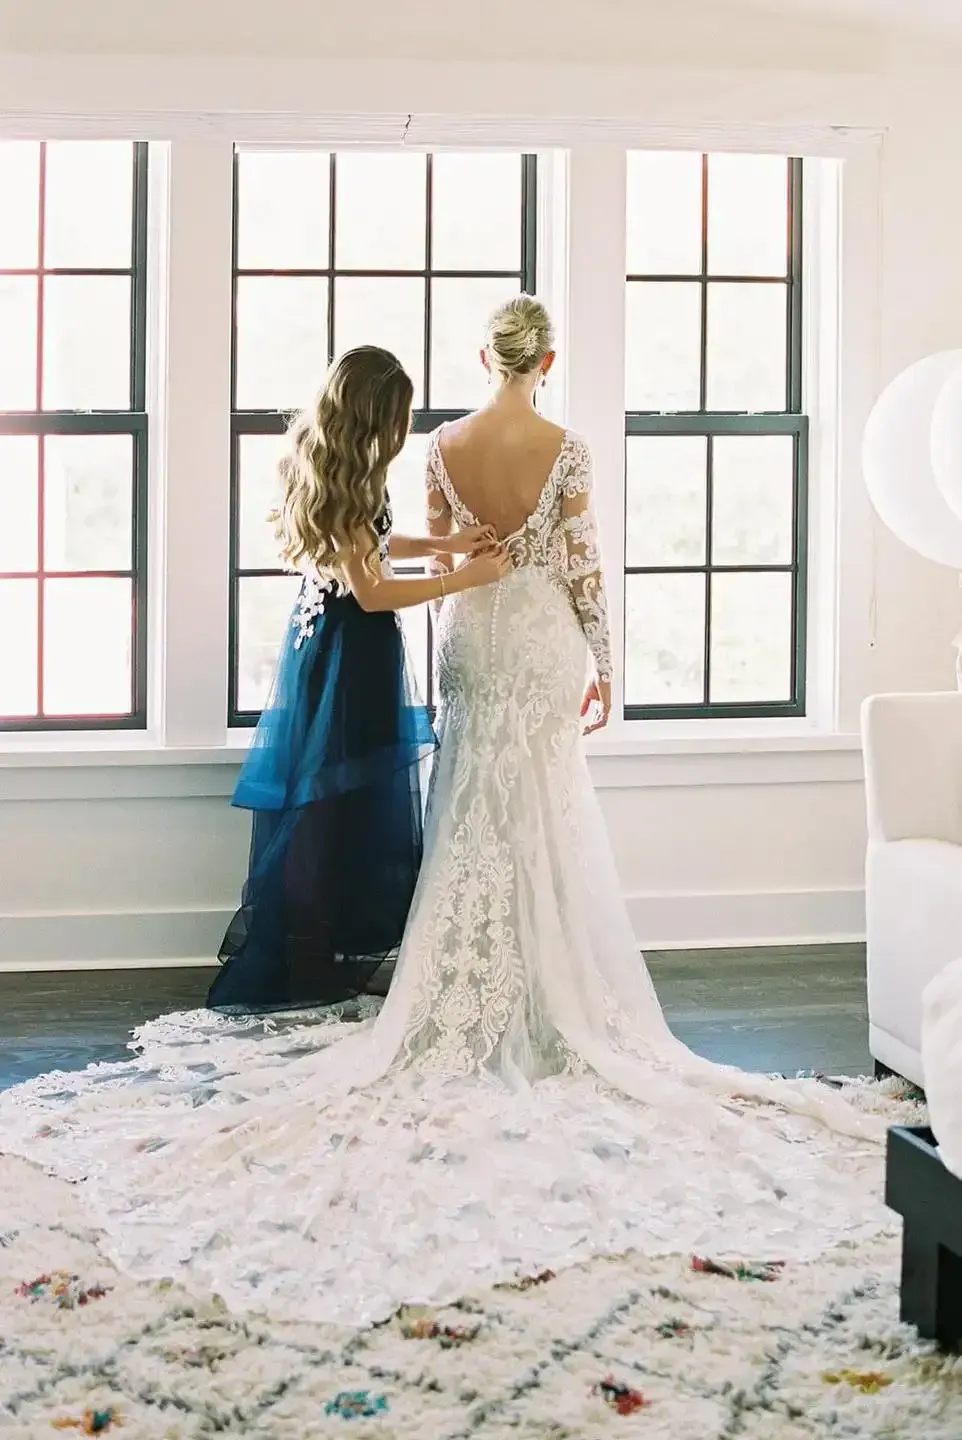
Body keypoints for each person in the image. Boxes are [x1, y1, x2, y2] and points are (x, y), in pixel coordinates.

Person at [0, 302, 892, 1328]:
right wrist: (594, 653)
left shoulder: (441, 446)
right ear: (547, 360)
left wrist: (460, 556)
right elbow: (574, 565)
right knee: (540, 817)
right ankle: (538, 982)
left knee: (470, 808)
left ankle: (463, 977)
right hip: (531, 632)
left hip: (472, 645)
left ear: (483, 359)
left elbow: (393, 550)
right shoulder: (568, 449)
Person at [209, 346, 509, 1012]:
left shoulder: (334, 470)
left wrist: (443, 545)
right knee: (327, 805)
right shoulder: (349, 477)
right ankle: (308, 958)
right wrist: (466, 577)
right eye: (397, 416)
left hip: (335, 642)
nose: (402, 432)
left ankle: (319, 949)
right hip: (350, 648)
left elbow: (367, 544)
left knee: (335, 802)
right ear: (375, 414)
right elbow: (372, 592)